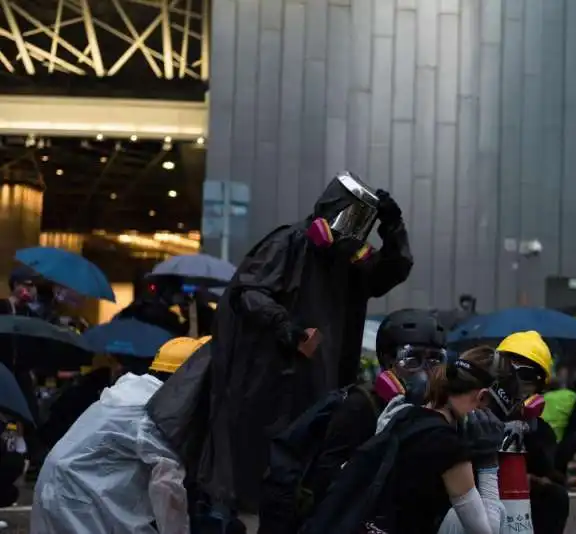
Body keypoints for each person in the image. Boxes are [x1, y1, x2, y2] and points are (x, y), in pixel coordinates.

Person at [147, 172, 413, 516]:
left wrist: (393, 227)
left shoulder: (347, 262)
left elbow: (392, 269)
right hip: (275, 380)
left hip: (321, 377)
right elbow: (249, 292)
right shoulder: (290, 243)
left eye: (363, 219)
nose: (353, 227)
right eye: (351, 215)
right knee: (262, 466)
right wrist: (286, 327)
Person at [258, 309, 448, 534]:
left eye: (434, 361)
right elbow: (328, 483)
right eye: (412, 359)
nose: (425, 373)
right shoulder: (361, 406)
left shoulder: (430, 413)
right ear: (388, 361)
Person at [303, 346, 507, 534]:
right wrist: (488, 462)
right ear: (482, 397)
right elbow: (485, 531)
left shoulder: (404, 417)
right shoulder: (448, 446)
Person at [30, 336, 210, 534]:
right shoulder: (157, 413)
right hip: (79, 500)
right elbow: (168, 488)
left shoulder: (129, 394)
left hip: (65, 489)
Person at [493, 331, 570, 534]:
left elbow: (546, 469)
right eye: (506, 372)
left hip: (517, 507)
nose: (513, 384)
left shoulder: (540, 431)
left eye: (524, 376)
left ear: (539, 386)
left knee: (556, 497)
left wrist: (523, 425)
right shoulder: (470, 412)